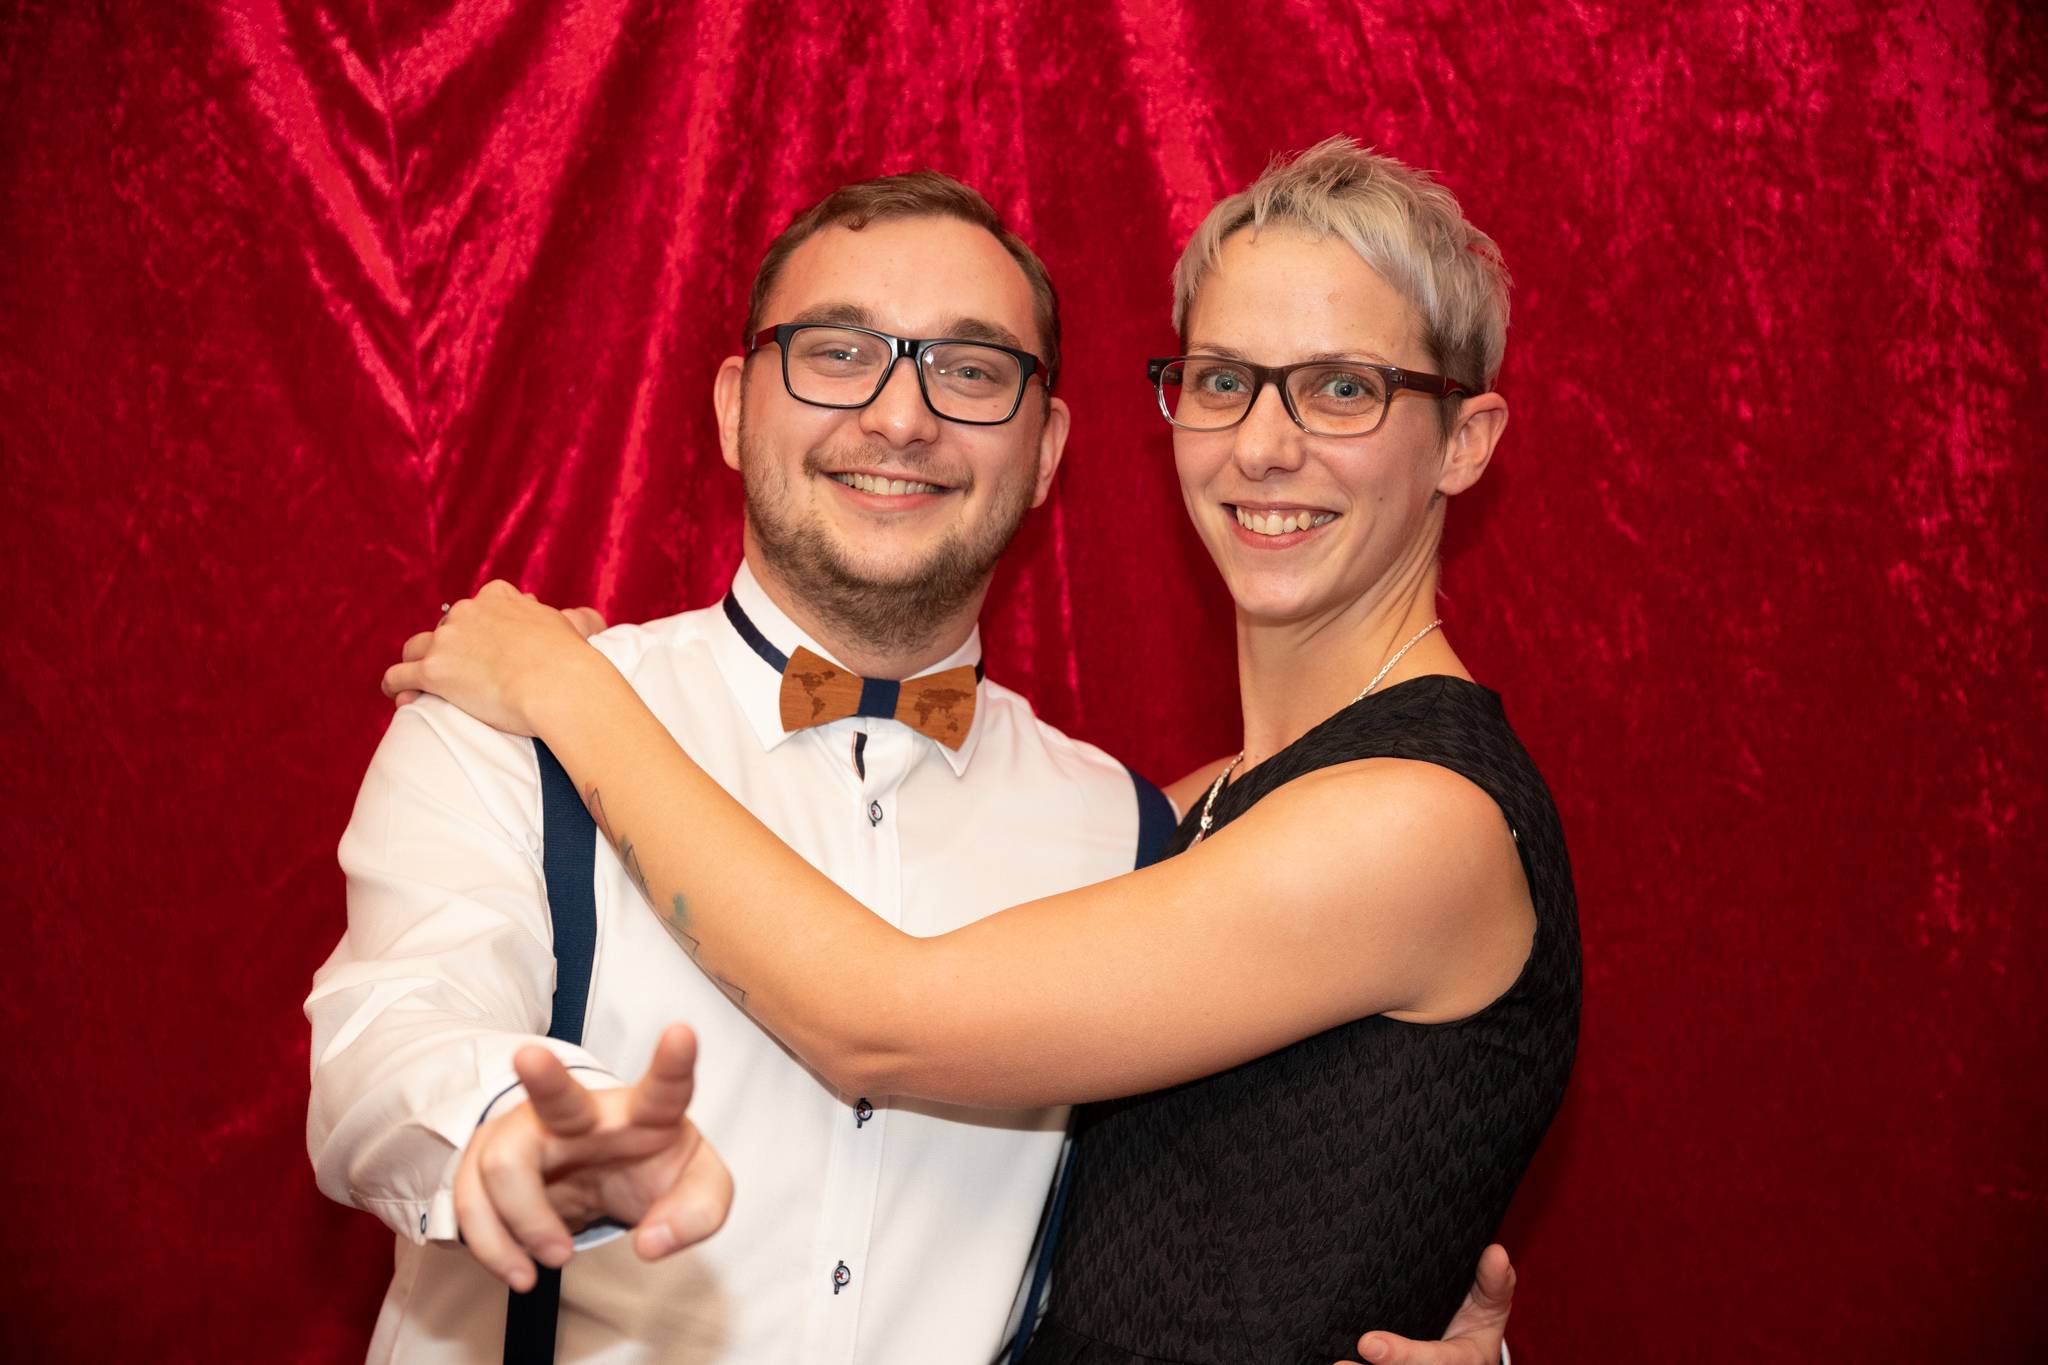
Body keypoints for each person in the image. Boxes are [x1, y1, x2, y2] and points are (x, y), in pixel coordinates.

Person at [385, 140, 1577, 1365]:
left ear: (1464, 439)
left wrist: (565, 690)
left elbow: (878, 1017)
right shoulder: (1162, 822)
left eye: (1340, 389)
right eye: (1223, 380)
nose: (1264, 446)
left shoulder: (1414, 819)